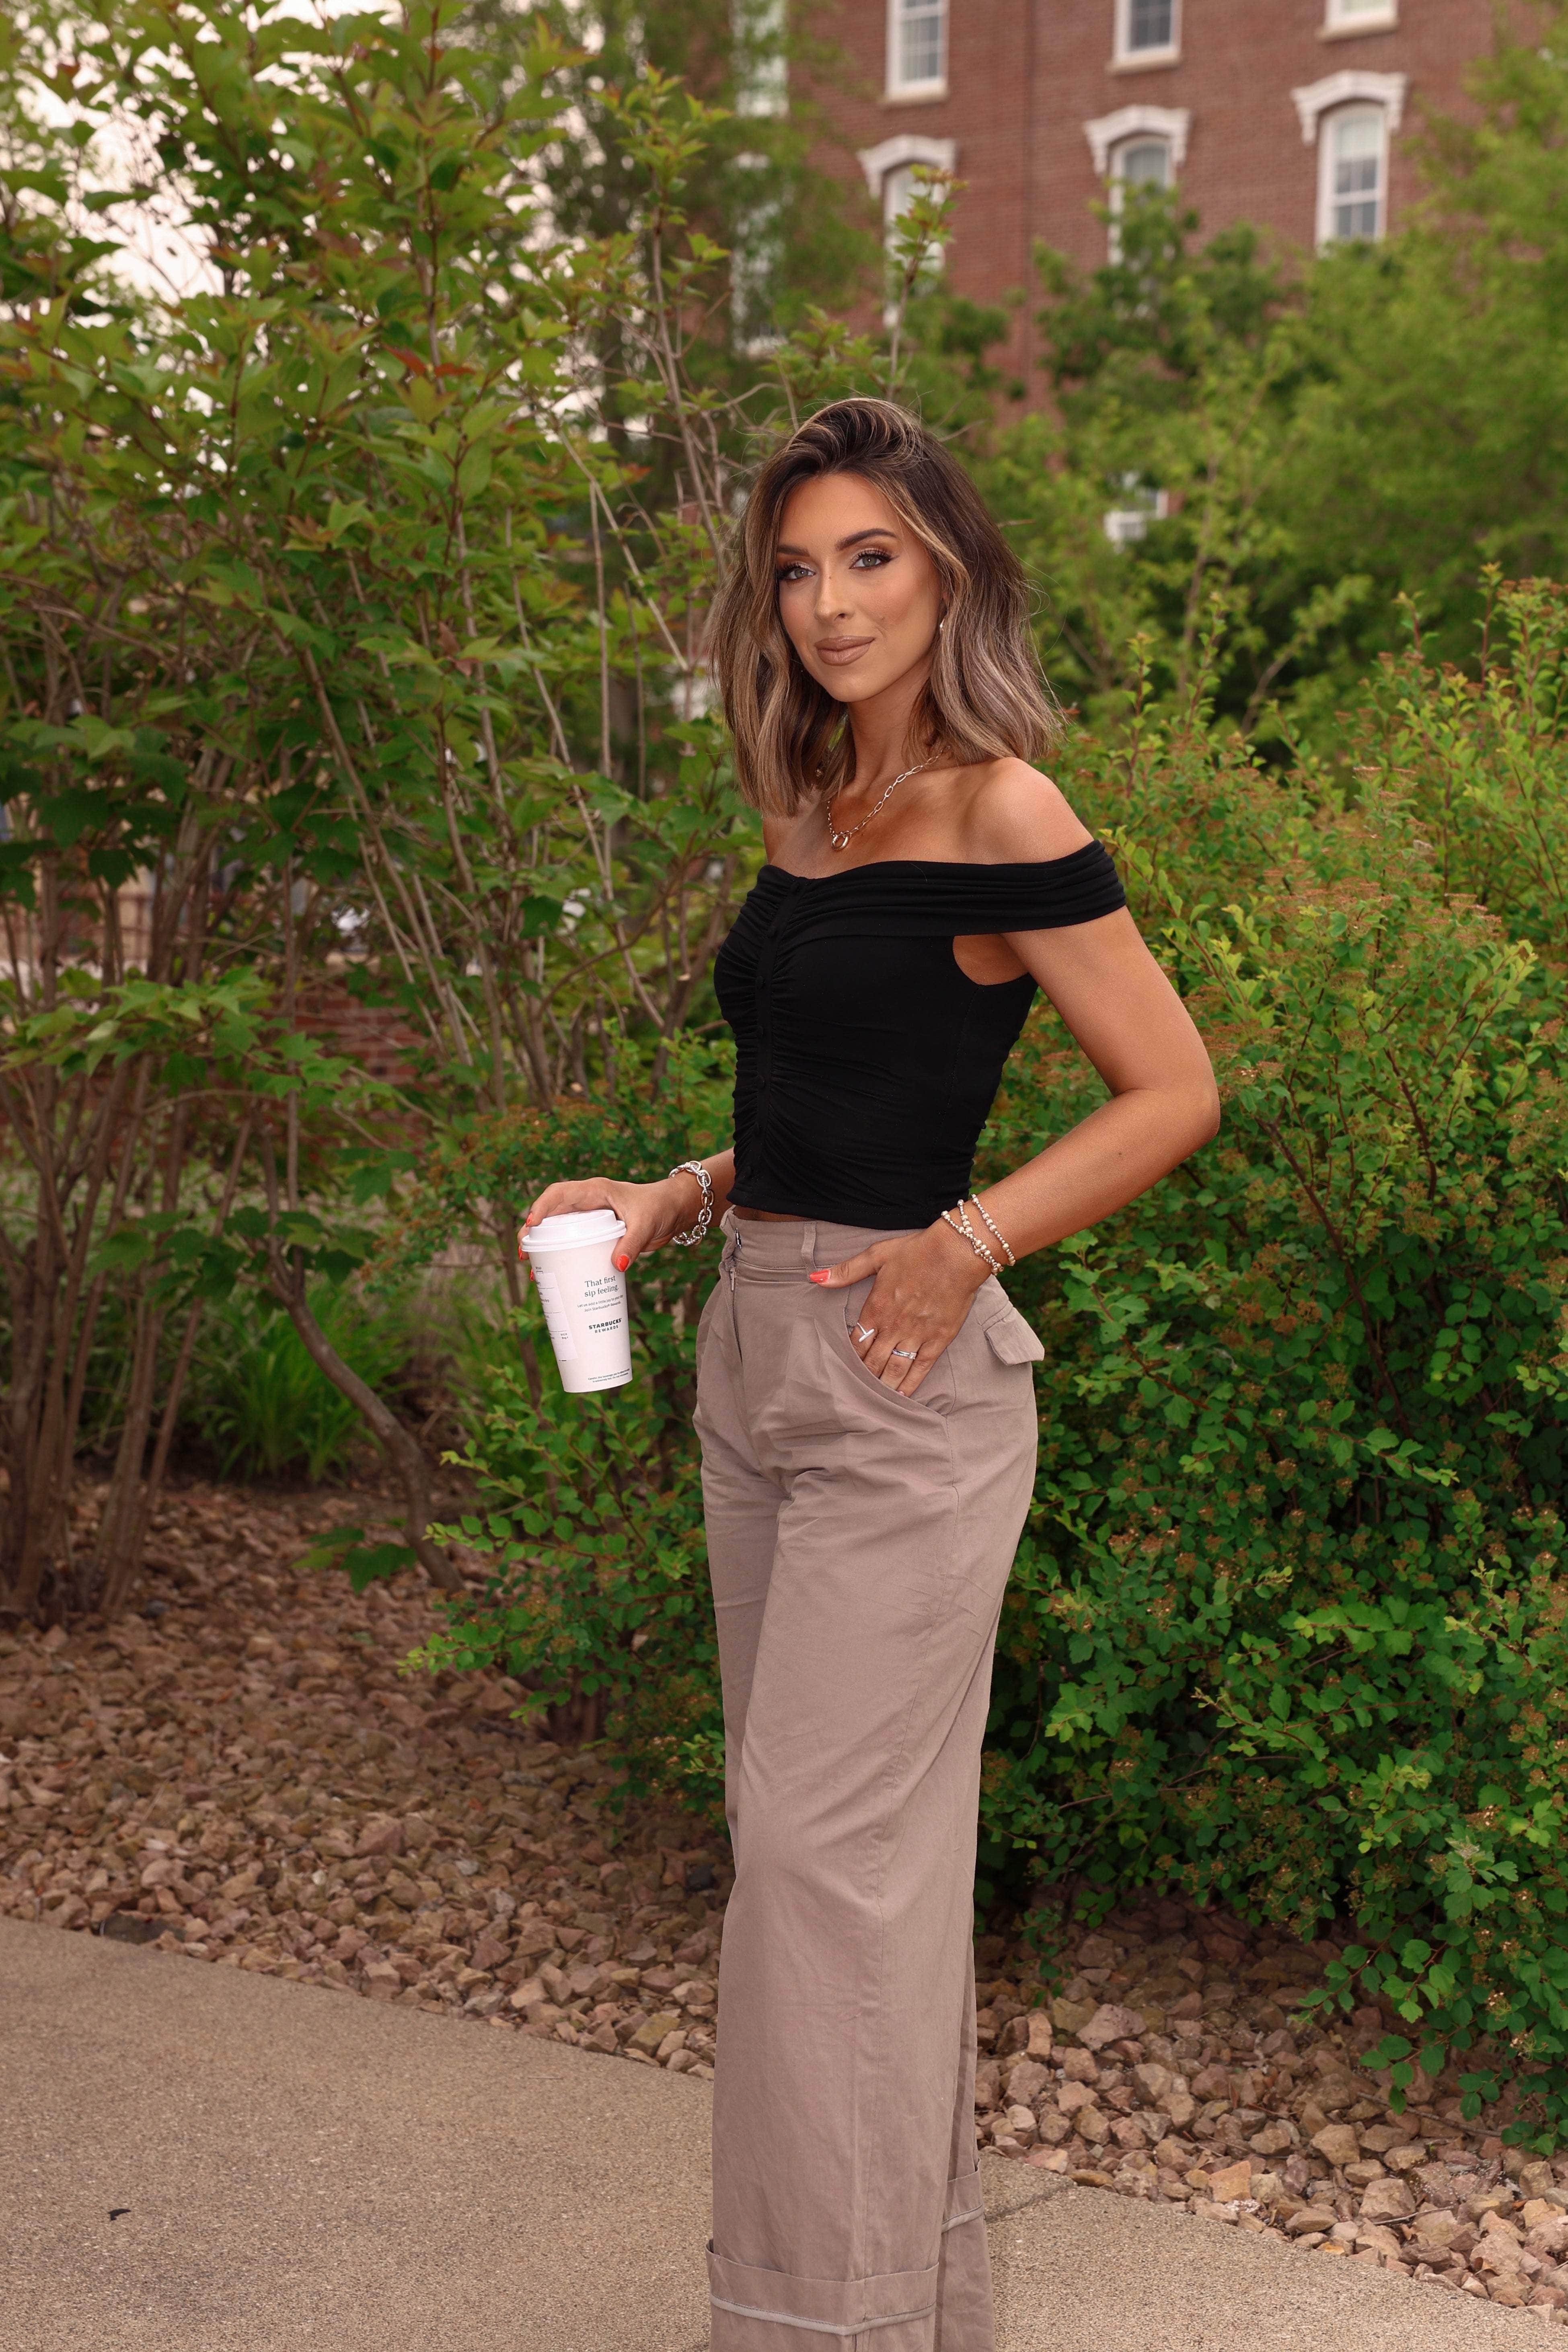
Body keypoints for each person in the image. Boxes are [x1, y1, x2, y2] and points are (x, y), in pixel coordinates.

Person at [519, 398, 1218, 2352]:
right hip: (754, 1357)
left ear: (950, 570)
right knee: (840, 1882)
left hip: (905, 1389)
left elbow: (1175, 1089)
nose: (830, 603)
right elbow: (828, 1099)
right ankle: (907, 2322)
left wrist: (969, 1237)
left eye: (871, 558)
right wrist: (674, 1193)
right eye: (799, 567)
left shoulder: (1008, 813)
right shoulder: (814, 804)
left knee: (821, 1881)